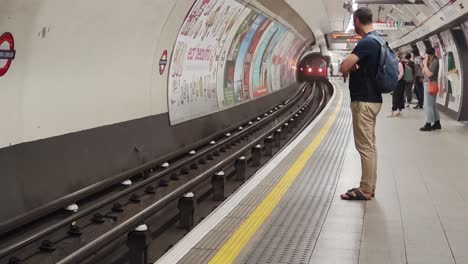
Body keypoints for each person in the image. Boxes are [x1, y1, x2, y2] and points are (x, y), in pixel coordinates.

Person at [339, 7, 382, 200]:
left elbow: (344, 66)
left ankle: (365, 189)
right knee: (370, 146)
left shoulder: (366, 43)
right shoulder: (379, 39)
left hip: (363, 101)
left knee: (365, 147)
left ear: (356, 21)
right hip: (373, 99)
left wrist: (350, 66)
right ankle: (369, 186)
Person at [420, 47, 442, 131]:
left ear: (429, 55)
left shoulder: (435, 62)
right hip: (430, 84)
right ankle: (437, 123)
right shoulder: (431, 62)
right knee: (432, 105)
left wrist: (425, 64)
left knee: (427, 105)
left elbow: (429, 74)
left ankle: (428, 124)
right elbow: (423, 73)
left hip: (430, 84)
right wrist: (423, 65)